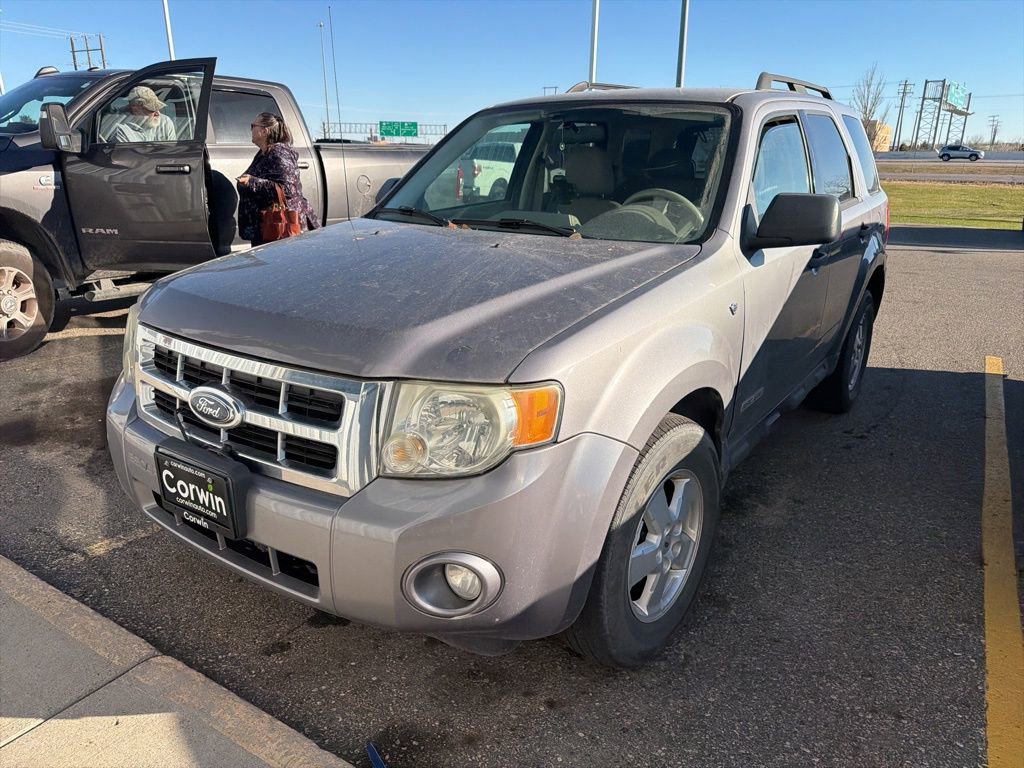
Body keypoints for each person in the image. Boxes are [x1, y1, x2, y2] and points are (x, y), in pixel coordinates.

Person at [236, 112, 320, 247]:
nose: (251, 129)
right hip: (267, 228)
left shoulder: (279, 153)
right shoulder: (264, 153)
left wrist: (253, 182)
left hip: (280, 228)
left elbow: (288, 189)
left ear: (264, 131)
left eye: (253, 125)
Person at [112, 86, 176, 143]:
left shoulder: (165, 122)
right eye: (152, 109)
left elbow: (172, 152)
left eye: (158, 108)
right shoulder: (120, 128)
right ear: (135, 108)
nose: (157, 113)